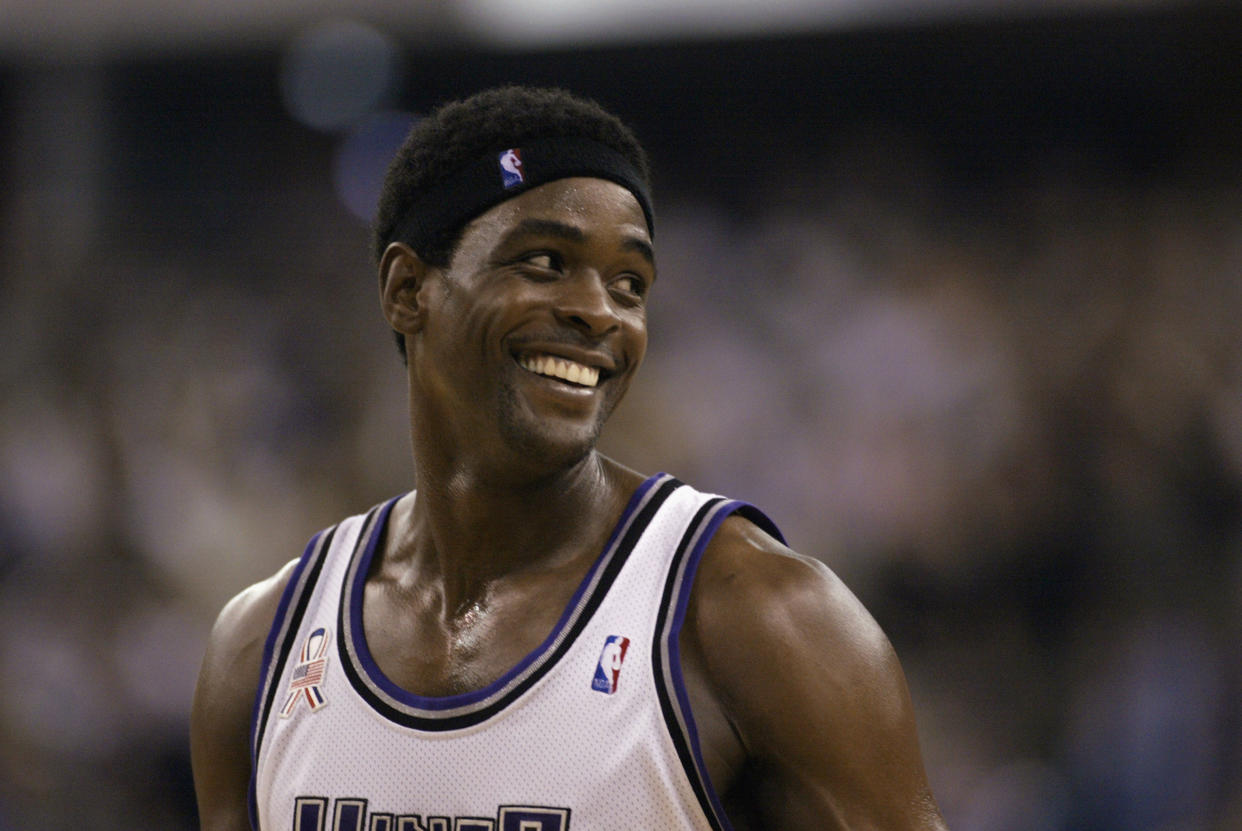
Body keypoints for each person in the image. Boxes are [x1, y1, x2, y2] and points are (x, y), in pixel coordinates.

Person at [190, 85, 949, 831]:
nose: (598, 310)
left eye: (630, 283)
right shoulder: (263, 645)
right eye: (546, 261)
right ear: (407, 289)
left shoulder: (756, 614)